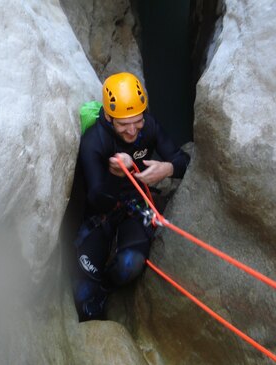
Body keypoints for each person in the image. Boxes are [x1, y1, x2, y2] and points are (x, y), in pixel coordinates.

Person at [73, 72, 190, 322]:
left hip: (135, 204)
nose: (132, 130)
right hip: (101, 210)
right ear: (108, 116)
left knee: (129, 266)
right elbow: (96, 198)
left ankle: (106, 287)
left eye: (137, 121)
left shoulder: (149, 126)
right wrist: (117, 174)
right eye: (123, 124)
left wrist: (166, 169)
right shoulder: (95, 140)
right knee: (83, 296)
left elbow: (183, 159)